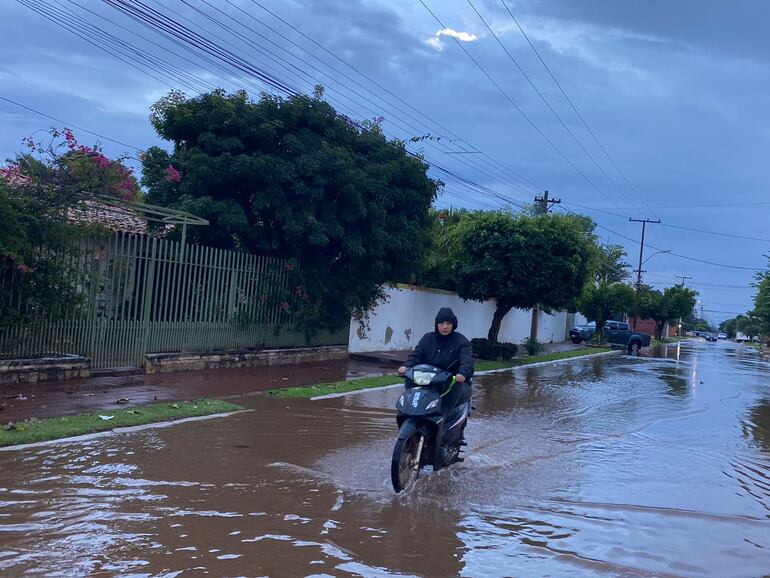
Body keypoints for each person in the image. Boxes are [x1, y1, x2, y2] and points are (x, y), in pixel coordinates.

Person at [398, 307, 474, 413]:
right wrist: (406, 366)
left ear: (453, 325)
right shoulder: (427, 338)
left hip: (451, 383)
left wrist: (462, 374)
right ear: (436, 324)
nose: (444, 327)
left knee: (455, 388)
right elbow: (416, 355)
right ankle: (407, 412)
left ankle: (443, 417)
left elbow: (467, 362)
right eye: (441, 323)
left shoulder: (462, 342)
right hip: (428, 381)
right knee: (409, 380)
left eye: (448, 323)